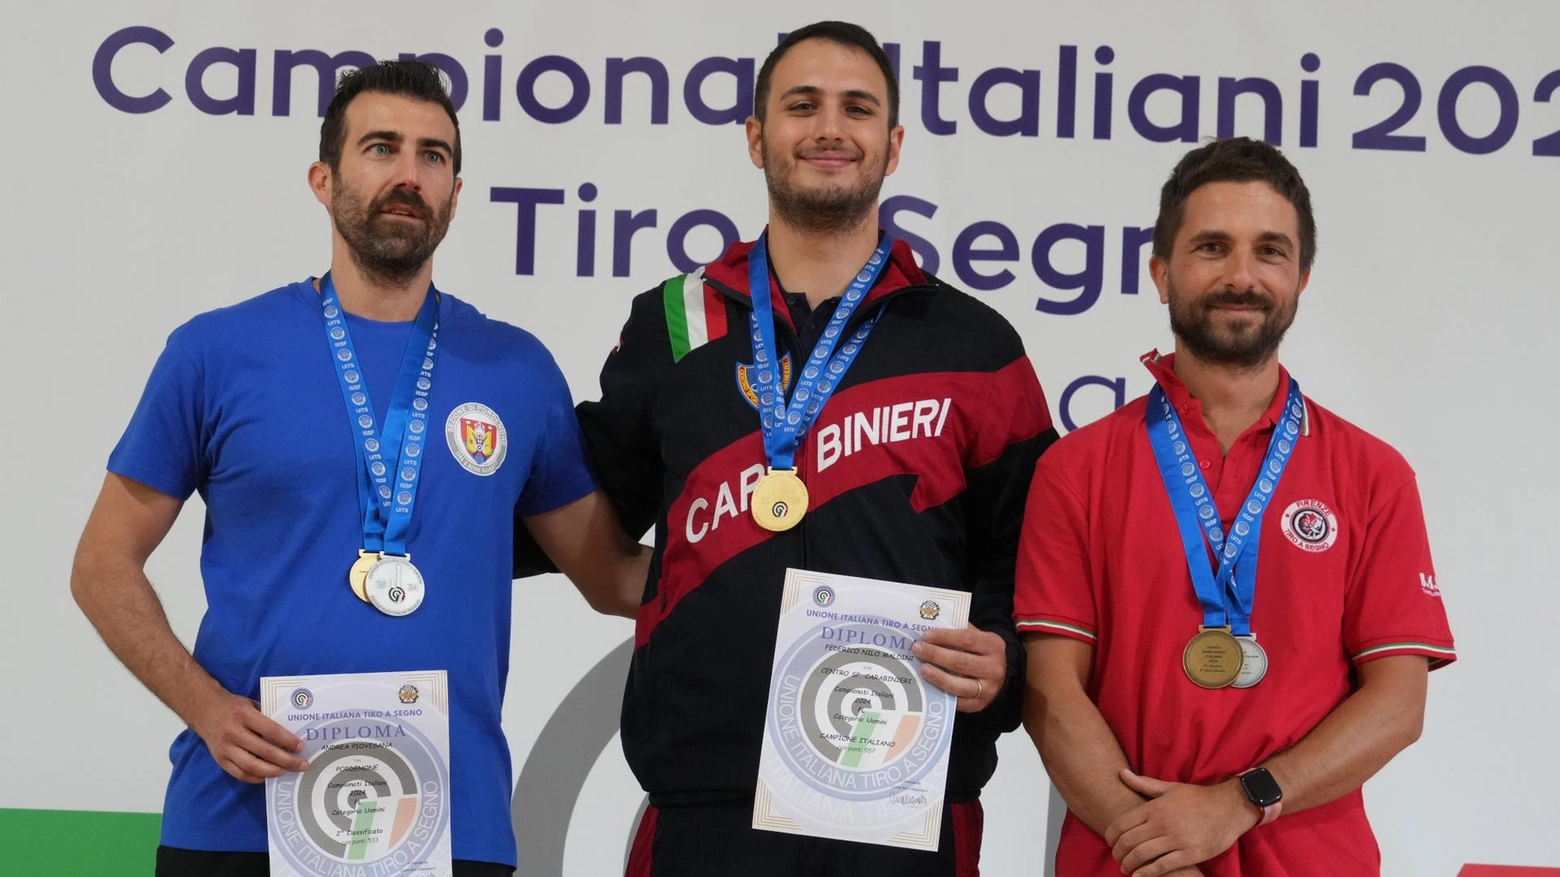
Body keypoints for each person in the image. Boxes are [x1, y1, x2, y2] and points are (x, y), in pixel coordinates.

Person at [70, 60, 646, 877]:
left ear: (456, 190)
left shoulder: (515, 371)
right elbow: (100, 564)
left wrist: (789, 584)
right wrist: (204, 706)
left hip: (450, 823)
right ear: (323, 177)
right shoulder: (216, 352)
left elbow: (614, 577)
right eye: (382, 148)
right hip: (241, 814)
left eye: (434, 156)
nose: (409, 175)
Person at [574, 20, 1057, 877]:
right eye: (802, 106)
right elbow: (577, 503)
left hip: (904, 803)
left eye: (857, 108)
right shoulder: (675, 325)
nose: (830, 128)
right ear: (757, 136)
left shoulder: (975, 345)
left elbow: (1037, 559)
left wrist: (1006, 657)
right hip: (706, 806)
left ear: (893, 144)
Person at [1014, 137, 1456, 877]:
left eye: (1270, 252)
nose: (1241, 275)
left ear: (1302, 277)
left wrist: (1238, 802)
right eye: (1211, 247)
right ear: (1160, 273)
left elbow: (1397, 703)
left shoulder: (1374, 474)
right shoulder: (1075, 468)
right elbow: (1049, 690)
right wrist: (1157, 846)